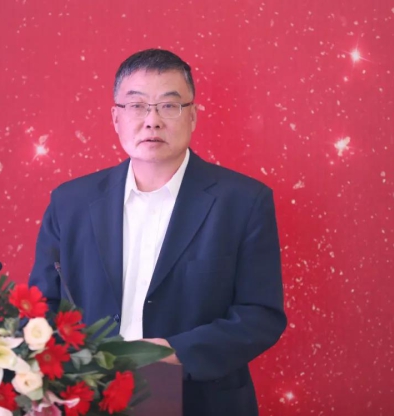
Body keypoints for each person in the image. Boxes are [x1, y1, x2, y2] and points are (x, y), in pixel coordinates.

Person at [29, 49, 286, 415]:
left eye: (169, 106)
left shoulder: (243, 202)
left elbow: (260, 315)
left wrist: (172, 353)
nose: (152, 121)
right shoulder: (70, 202)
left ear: (192, 116)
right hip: (88, 399)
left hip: (200, 399)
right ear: (116, 118)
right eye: (137, 106)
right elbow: (42, 306)